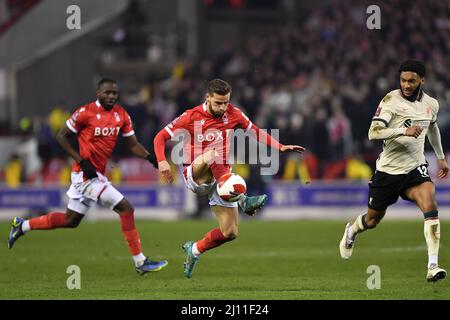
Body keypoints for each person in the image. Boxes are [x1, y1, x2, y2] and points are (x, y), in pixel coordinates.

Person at [8, 79, 168, 275]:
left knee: (70, 220)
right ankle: (140, 262)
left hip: (96, 174)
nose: (111, 96)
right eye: (107, 92)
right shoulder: (86, 112)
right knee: (126, 209)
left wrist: (150, 158)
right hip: (85, 175)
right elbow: (61, 136)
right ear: (98, 93)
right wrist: (81, 160)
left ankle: (22, 225)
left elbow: (132, 143)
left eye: (114, 93)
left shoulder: (121, 115)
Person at [153, 79, 305, 278]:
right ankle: (244, 201)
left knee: (230, 232)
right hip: (196, 174)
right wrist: (162, 161)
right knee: (213, 153)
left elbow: (256, 132)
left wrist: (280, 146)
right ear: (207, 98)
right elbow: (160, 137)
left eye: (226, 102)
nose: (223, 107)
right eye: (218, 103)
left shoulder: (234, 113)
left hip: (221, 180)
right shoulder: (191, 116)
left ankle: (195, 250)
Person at [339, 60, 449, 282]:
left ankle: (433, 266)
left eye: (411, 81)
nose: (406, 85)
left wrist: (440, 158)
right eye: (403, 80)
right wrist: (403, 131)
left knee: (430, 203)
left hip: (415, 169)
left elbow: (433, 128)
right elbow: (373, 133)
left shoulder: (431, 104)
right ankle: (351, 231)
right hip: (388, 171)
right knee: (372, 221)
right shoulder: (391, 101)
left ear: (422, 81)